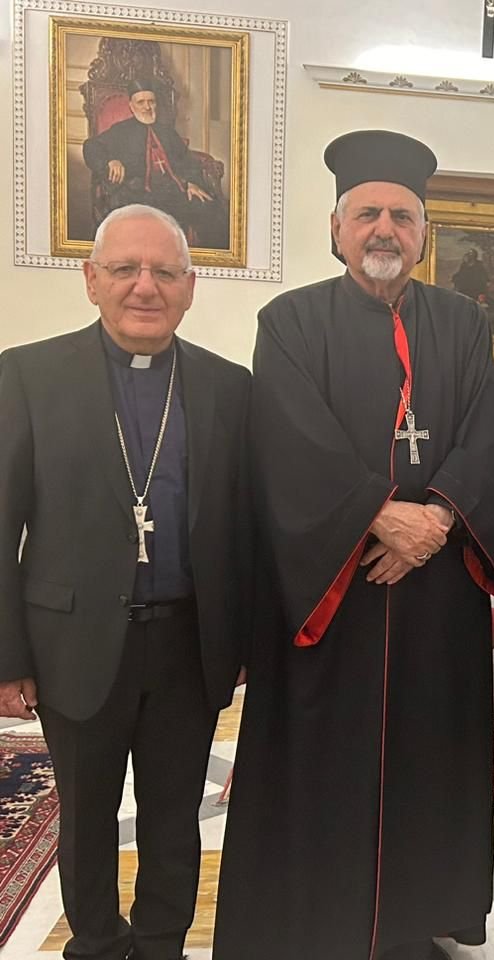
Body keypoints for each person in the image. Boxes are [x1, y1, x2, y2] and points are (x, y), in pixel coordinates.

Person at [213, 130, 494, 960]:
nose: (385, 229)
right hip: (335, 588)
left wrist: (438, 522)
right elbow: (287, 441)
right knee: (325, 759)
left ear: (423, 234)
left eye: (402, 216)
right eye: (368, 214)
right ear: (336, 229)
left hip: (434, 594)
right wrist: (381, 517)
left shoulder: (462, 323)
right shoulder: (290, 322)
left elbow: (483, 436)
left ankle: (416, 916)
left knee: (428, 756)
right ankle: (319, 920)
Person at [0, 203, 251, 960]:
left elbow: (244, 526)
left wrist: (241, 641)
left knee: (176, 818)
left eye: (165, 271)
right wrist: (8, 659)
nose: (146, 286)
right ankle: (97, 946)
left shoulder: (228, 387)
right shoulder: (27, 375)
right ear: (91, 280)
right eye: (125, 269)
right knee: (86, 817)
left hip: (187, 641)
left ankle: (162, 945)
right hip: (71, 641)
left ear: (190, 286)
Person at [82, 79, 229, 248]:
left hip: (175, 191)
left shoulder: (167, 131)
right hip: (138, 194)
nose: (147, 107)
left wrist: (191, 182)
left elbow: (186, 159)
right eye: (141, 102)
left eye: (151, 101)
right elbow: (91, 146)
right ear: (131, 106)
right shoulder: (121, 130)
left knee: (211, 209)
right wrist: (110, 161)